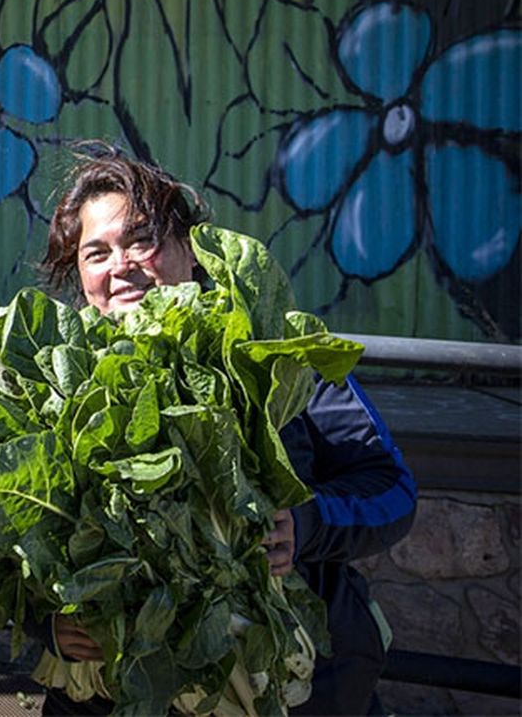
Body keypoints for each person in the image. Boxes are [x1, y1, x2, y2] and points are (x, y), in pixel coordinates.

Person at [32, 149, 417, 716]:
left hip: (295, 687)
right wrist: (48, 624)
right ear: (80, 274)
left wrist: (305, 524)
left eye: (142, 240)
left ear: (191, 246)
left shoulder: (278, 352)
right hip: (119, 689)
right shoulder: (52, 380)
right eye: (97, 252)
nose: (121, 265)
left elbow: (391, 489)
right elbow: (10, 547)